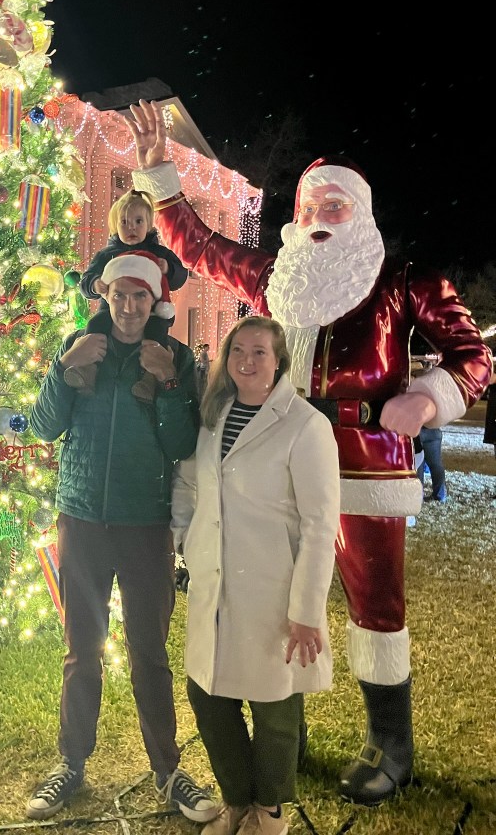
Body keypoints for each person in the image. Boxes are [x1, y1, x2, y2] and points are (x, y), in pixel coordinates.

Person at [127, 99, 492, 807]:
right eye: (311, 204)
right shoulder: (277, 276)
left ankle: (390, 744)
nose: (322, 215)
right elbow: (201, 247)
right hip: (277, 466)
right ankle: (280, 723)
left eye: (337, 204)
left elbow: (473, 355)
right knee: (273, 595)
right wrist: (159, 178)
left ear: (362, 213)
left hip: (363, 469)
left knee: (374, 604)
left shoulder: (402, 281)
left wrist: (426, 399)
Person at [26, 251, 218, 825]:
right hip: (82, 518)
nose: (129, 307)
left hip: (144, 523)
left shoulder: (174, 358)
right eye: (119, 296)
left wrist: (168, 384)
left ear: (154, 301)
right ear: (105, 297)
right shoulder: (79, 346)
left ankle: (168, 770)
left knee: (149, 654)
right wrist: (64, 368)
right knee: (81, 650)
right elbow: (43, 426)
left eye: (140, 296)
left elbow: (181, 444)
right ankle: (71, 763)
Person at [172, 317, 341, 835]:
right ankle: (237, 799)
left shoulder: (306, 426)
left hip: (273, 589)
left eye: (260, 352)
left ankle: (270, 810)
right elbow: (188, 482)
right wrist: (185, 538)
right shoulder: (213, 415)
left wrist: (306, 612)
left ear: (279, 360)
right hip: (214, 583)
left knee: (274, 706)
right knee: (208, 694)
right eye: (238, 350)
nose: (247, 361)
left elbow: (319, 525)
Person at [67, 188, 188, 401]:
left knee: (156, 337)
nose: (131, 227)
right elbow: (85, 282)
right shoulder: (107, 255)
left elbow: (180, 276)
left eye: (138, 221)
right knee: (95, 326)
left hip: (152, 313)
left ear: (149, 224)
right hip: (110, 312)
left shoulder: (159, 253)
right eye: (124, 222)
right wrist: (95, 284)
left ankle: (149, 380)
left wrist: (168, 268)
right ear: (115, 225)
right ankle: (89, 370)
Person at [416, 425, 447, 503]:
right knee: (436, 465)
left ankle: (418, 496)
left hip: (416, 432)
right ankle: (440, 495)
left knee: (418, 464)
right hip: (434, 431)